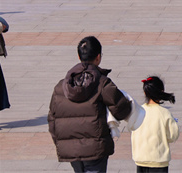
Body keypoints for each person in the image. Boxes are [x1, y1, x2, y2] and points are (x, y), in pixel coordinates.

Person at [48, 36, 132, 173]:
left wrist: (62, 142)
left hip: (71, 151)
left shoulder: (60, 87)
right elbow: (122, 110)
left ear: (78, 56)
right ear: (98, 57)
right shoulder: (102, 83)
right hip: (95, 149)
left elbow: (52, 119)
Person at [131, 76, 179, 173]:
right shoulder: (164, 113)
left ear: (145, 92)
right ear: (161, 91)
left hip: (141, 159)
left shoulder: (138, 111)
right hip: (159, 160)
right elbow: (173, 136)